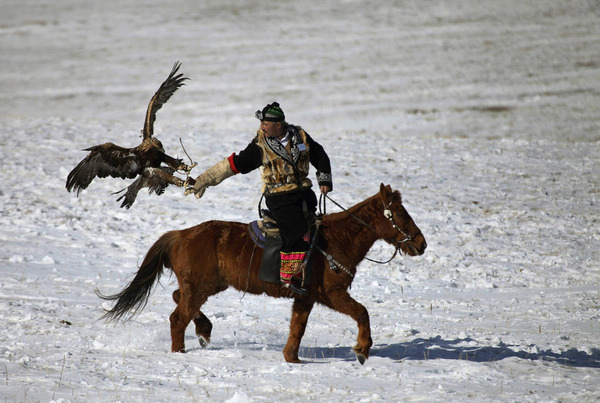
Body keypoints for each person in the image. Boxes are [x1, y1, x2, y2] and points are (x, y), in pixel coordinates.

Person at [185, 102, 332, 295]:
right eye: (261, 123)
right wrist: (205, 180)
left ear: (279, 125)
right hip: (279, 197)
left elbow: (319, 155)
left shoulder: (300, 135)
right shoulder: (260, 145)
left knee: (318, 225)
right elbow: (236, 164)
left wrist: (324, 179)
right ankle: (289, 275)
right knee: (296, 229)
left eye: (265, 123)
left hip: (304, 193)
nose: (261, 127)